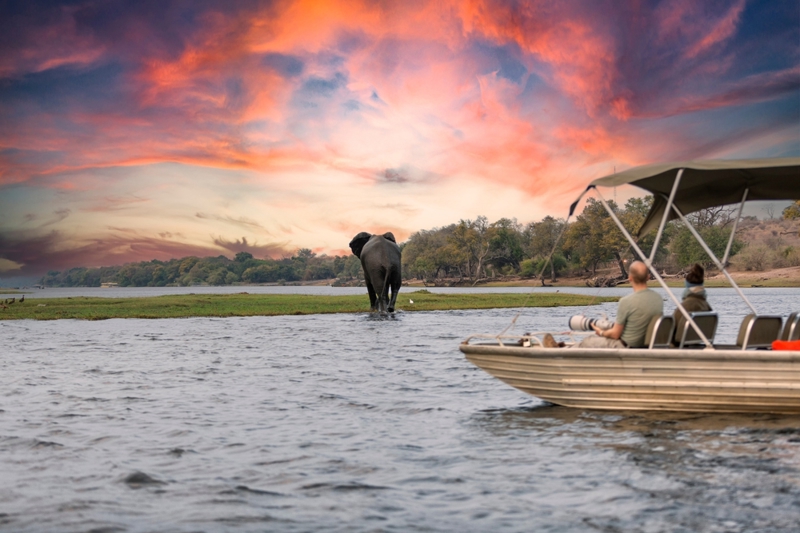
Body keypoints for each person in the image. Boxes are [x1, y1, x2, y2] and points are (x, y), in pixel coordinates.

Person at [543, 260, 663, 349]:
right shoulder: (658, 299)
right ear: (648, 277)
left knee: (588, 341)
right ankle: (563, 347)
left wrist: (600, 332)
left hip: (626, 346)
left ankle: (559, 350)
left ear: (630, 278)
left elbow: (615, 335)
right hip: (645, 345)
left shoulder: (626, 302)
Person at [672, 263, 712, 345]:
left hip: (681, 348)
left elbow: (672, 333)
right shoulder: (706, 306)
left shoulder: (685, 306)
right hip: (697, 345)